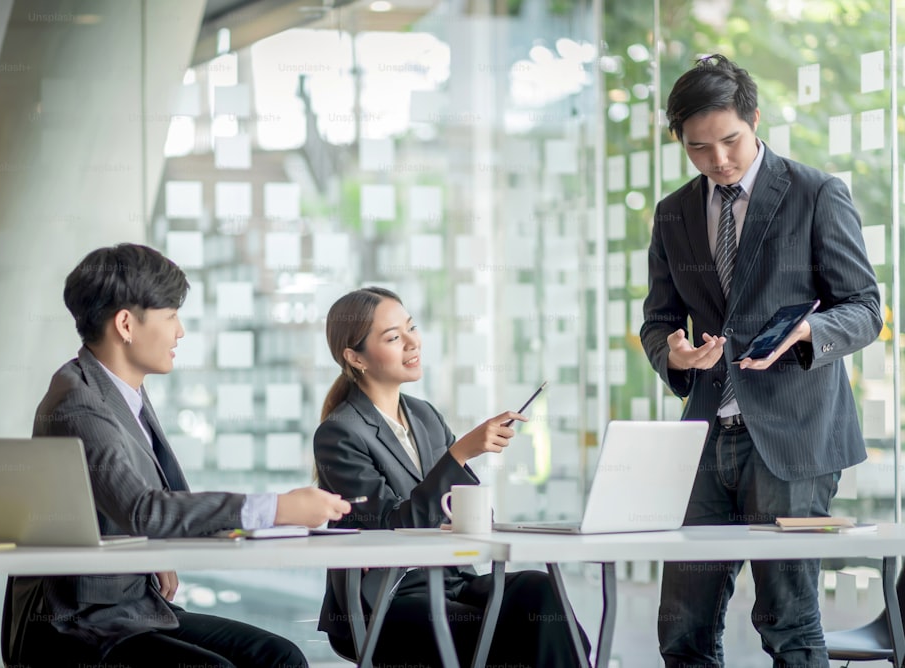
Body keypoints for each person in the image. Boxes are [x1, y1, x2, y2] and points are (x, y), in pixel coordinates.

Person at [641, 54, 881, 666]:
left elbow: (864, 308)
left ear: (754, 120)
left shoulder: (816, 192)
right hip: (702, 439)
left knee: (788, 624)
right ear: (680, 141)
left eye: (730, 141)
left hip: (792, 439)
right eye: (699, 149)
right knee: (681, 630)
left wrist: (809, 329)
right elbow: (658, 319)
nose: (718, 160)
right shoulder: (673, 213)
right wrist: (673, 352)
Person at [5, 243, 351, 668]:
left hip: (132, 608)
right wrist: (278, 508)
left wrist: (159, 552)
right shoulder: (79, 404)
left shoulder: (119, 389)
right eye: (170, 316)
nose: (180, 331)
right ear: (126, 324)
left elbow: (138, 501)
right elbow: (144, 509)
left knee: (279, 657)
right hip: (81, 622)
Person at [313, 286, 590, 668]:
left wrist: (464, 501)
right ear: (354, 357)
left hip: (452, 579)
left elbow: (466, 513)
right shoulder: (340, 433)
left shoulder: (424, 415)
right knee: (511, 635)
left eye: (412, 328)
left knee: (540, 594)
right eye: (394, 338)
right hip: (389, 595)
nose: (413, 343)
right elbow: (391, 527)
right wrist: (460, 453)